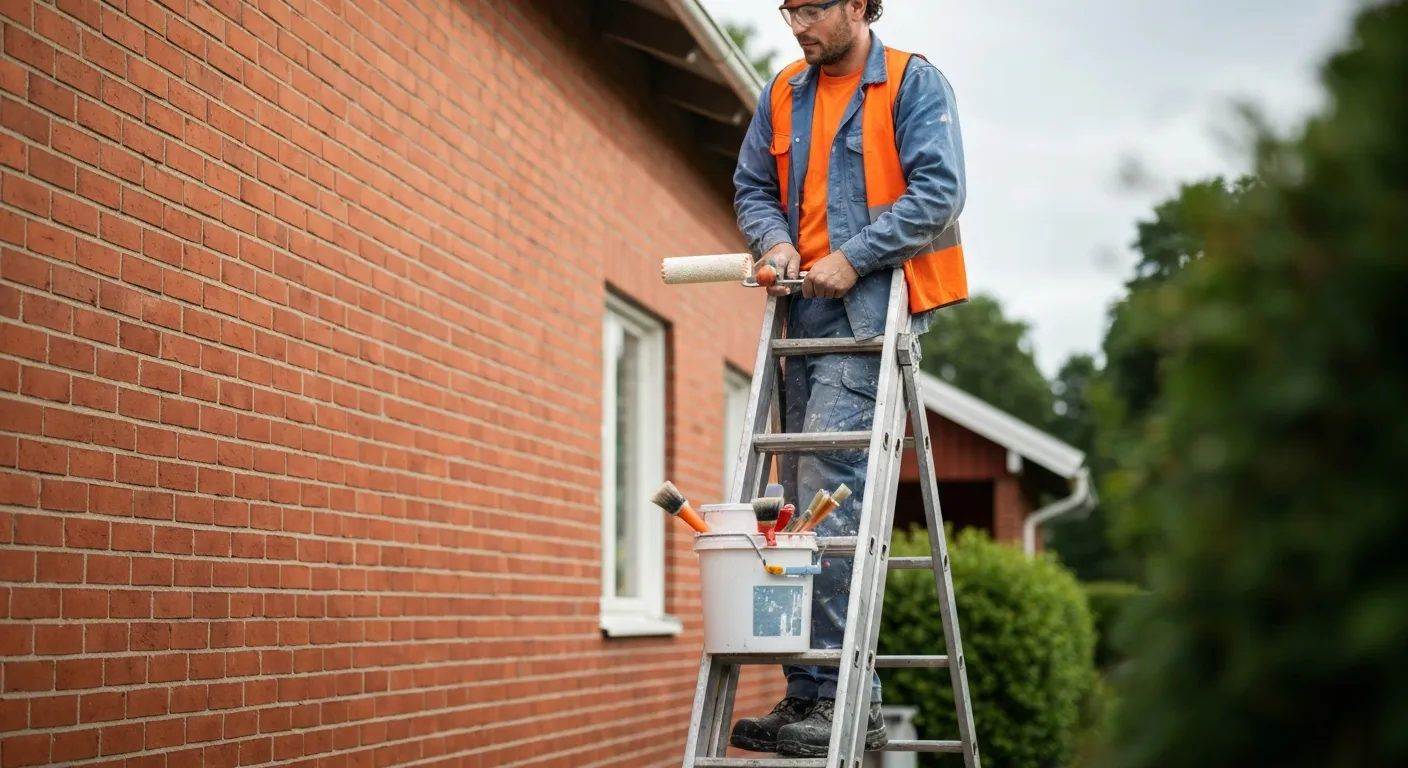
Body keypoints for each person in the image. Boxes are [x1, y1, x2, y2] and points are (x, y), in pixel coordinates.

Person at [729, 0, 968, 758]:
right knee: (792, 508)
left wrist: (854, 254)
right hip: (803, 320)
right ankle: (806, 692)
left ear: (862, 5)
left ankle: (842, 701)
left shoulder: (910, 82)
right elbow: (752, 190)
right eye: (788, 7)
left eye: (815, 7)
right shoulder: (781, 95)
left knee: (830, 502)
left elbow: (939, 191)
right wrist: (774, 244)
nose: (798, 23)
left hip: (870, 315)